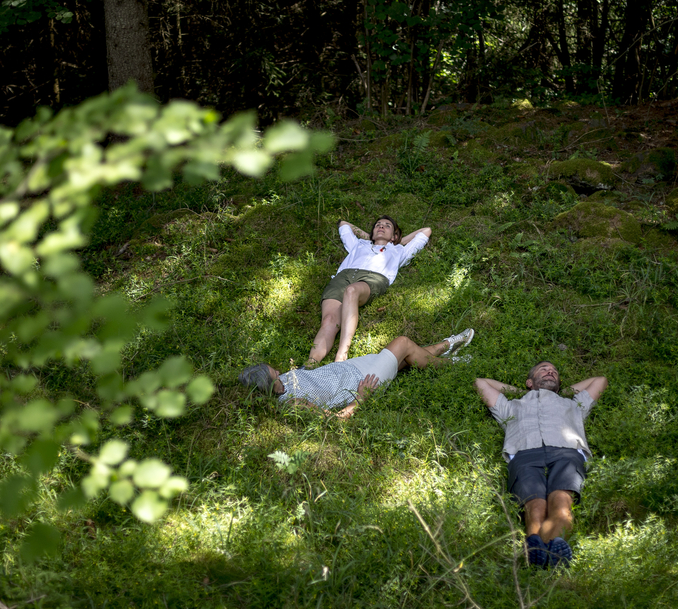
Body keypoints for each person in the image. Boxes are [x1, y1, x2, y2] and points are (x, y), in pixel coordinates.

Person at [474, 362, 608, 568]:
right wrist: (525, 391)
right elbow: (480, 382)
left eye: (554, 372)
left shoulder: (573, 404)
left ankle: (545, 552)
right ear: (529, 381)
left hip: (567, 451)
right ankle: (539, 550)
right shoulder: (511, 406)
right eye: (544, 369)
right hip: (524, 453)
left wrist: (557, 391)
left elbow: (600, 381)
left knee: (562, 501)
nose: (550, 371)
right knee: (534, 506)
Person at [240, 329, 474, 419]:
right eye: (275, 374)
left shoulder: (283, 382)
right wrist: (361, 398)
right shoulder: (292, 402)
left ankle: (446, 347)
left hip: (353, 366)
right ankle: (452, 361)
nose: (279, 371)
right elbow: (335, 420)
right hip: (363, 380)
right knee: (402, 343)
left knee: (406, 357)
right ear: (267, 385)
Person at [307, 216, 431, 366]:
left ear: (394, 235)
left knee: (352, 291)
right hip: (343, 276)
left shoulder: (399, 251)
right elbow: (343, 224)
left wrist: (396, 240)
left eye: (387, 226)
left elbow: (426, 231)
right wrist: (371, 237)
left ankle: (341, 355)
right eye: (378, 225)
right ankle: (309, 365)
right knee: (329, 320)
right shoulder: (358, 244)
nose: (381, 227)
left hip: (373, 278)